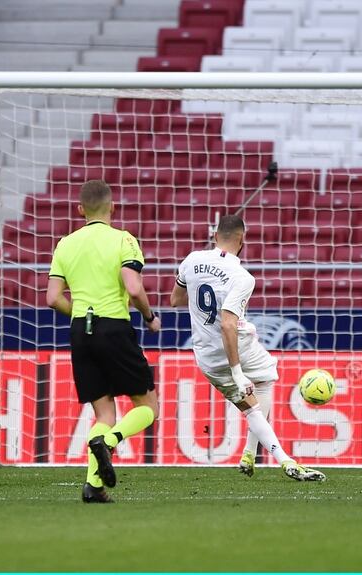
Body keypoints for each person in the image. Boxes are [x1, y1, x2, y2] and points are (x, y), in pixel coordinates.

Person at [170, 214, 325, 481]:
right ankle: (285, 461)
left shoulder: (191, 260)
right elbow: (228, 325)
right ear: (242, 240)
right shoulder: (243, 277)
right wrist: (238, 372)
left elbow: (175, 300)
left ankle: (249, 454)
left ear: (214, 236)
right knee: (258, 395)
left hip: (205, 355)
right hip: (233, 348)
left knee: (264, 379)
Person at [45, 179, 161, 504]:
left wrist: (79, 313)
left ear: (80, 209)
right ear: (112, 207)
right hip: (114, 327)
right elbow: (134, 288)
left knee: (103, 412)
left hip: (81, 330)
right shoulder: (123, 240)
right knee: (148, 406)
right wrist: (150, 317)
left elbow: (53, 297)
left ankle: (93, 486)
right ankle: (111, 441)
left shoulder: (65, 244)